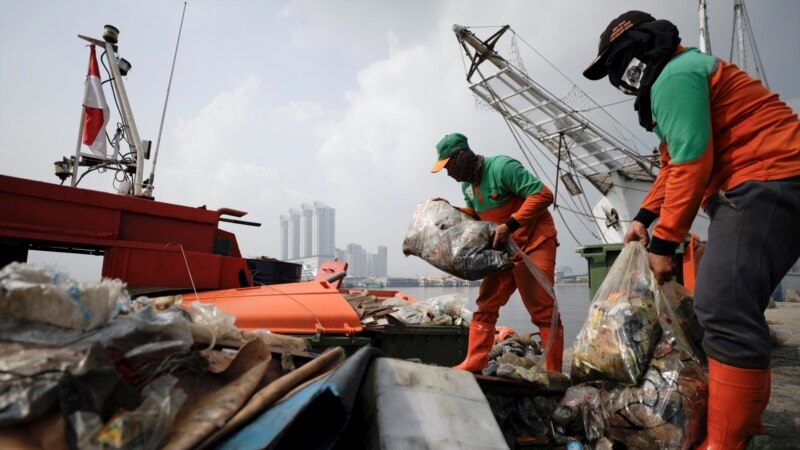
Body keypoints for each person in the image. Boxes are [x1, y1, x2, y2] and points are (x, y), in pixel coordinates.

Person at [583, 10, 800, 448]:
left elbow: (692, 163)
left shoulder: (674, 77)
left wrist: (664, 243)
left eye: (614, 66)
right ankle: (744, 428)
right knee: (735, 311)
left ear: (635, 52)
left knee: (720, 308)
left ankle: (724, 441)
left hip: (765, 178)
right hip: (766, 182)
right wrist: (643, 220)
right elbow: (671, 166)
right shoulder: (680, 74)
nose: (616, 80)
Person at [431, 132, 564, 373]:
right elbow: (476, 215)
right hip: (503, 249)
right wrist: (451, 210)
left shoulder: (502, 167)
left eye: (449, 166)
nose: (448, 173)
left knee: (542, 307)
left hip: (534, 242)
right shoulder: (467, 186)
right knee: (486, 302)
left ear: (462, 157)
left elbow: (543, 194)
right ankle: (475, 361)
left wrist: (510, 225)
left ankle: (554, 372)